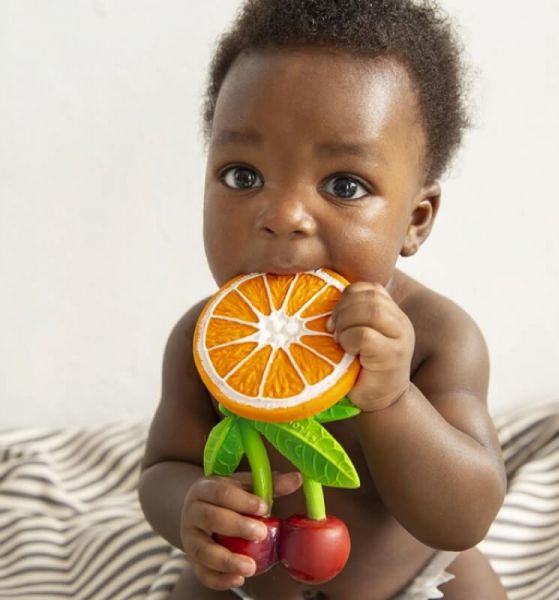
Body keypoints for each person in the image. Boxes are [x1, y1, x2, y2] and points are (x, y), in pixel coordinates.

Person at [137, 1, 508, 598]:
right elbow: (162, 468)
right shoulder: (204, 340)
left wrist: (392, 400)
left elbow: (464, 518)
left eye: (344, 185)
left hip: (415, 582)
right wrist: (191, 507)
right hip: (244, 584)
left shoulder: (439, 337)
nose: (282, 217)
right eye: (242, 176)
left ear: (415, 220)